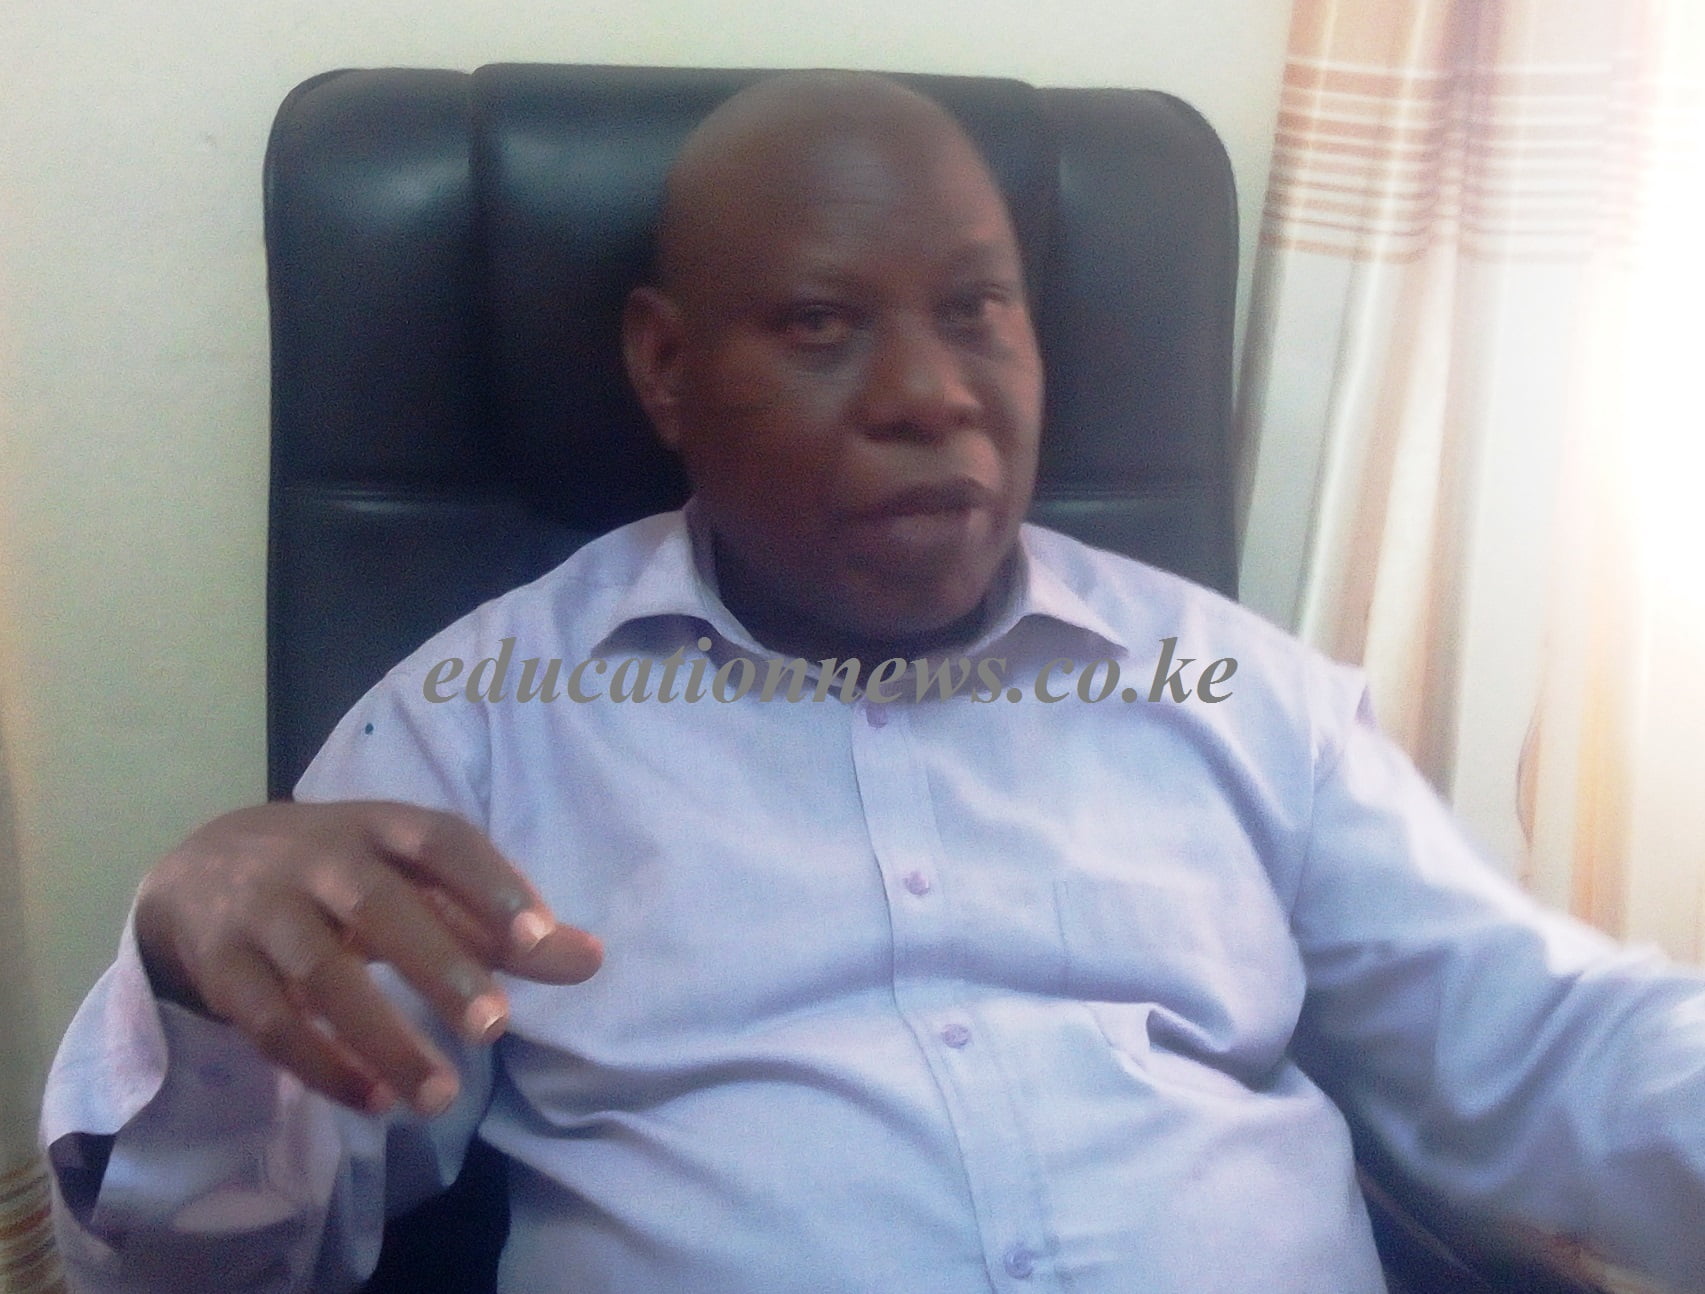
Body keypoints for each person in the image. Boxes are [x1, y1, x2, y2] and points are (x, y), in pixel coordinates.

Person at [39, 70, 1705, 1293]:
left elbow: (1547, 1044)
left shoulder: (1236, 693)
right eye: (824, 322)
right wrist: (189, 968)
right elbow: (213, 1262)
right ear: (667, 368)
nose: (934, 394)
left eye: (979, 309)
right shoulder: (471, 732)